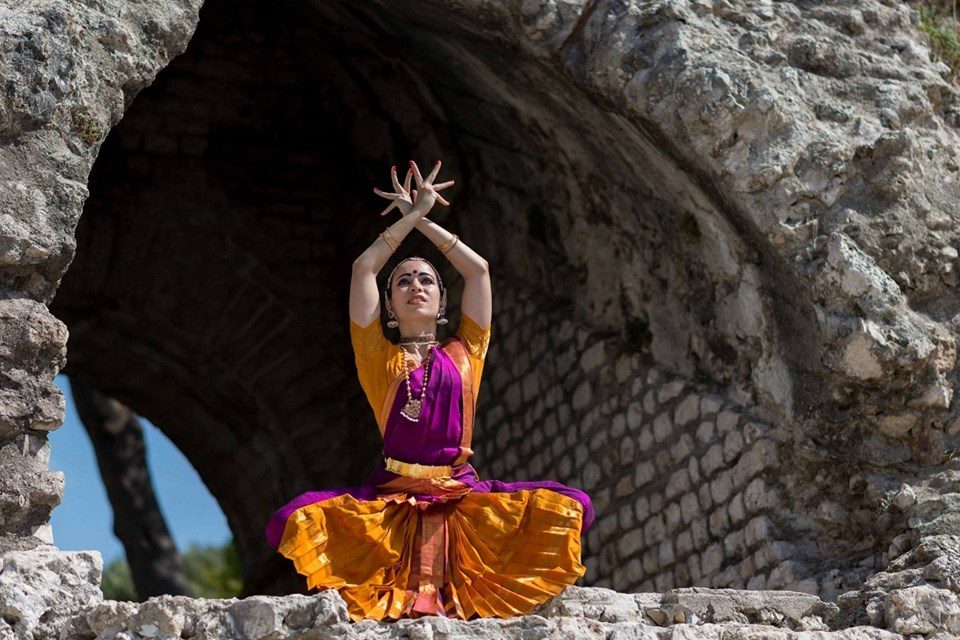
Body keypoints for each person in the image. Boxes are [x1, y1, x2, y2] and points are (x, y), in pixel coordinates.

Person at [264, 159, 595, 621]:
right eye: (402, 281)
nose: (415, 285)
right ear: (391, 308)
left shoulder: (467, 351)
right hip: (392, 496)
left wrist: (427, 220)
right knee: (291, 520)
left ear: (442, 304)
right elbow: (363, 269)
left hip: (461, 493)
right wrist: (408, 220)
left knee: (571, 507)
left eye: (426, 280)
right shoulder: (376, 356)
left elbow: (478, 272)